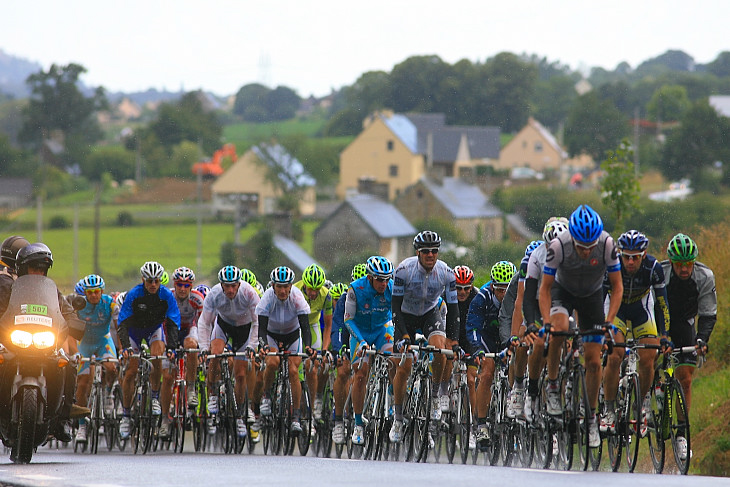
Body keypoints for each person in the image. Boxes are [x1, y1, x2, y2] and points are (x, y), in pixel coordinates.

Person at [539, 205, 623, 448]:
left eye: (590, 247)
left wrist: (609, 321)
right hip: (562, 291)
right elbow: (544, 289)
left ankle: (591, 417)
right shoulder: (558, 246)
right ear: (572, 238)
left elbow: (617, 288)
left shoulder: (607, 245)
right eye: (581, 247)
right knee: (559, 328)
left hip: (591, 296)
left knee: (595, 361)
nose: (586, 252)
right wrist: (546, 321)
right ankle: (553, 384)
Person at [0, 242, 88, 443]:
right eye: (33, 268)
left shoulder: (51, 291)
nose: (38, 272)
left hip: (43, 345)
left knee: (68, 363)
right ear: (22, 268)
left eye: (42, 269)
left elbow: (65, 310)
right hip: (15, 343)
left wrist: (73, 321)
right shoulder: (9, 288)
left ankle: (62, 419)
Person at [390, 230, 459, 443]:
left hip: (430, 314)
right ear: (418, 253)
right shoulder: (403, 270)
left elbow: (454, 309)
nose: (431, 255)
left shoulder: (446, 273)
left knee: (440, 351)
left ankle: (436, 396)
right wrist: (402, 335)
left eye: (434, 251)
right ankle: (398, 419)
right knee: (404, 366)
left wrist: (454, 341)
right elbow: (395, 306)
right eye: (426, 251)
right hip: (405, 317)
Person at [600, 230, 670, 434]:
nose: (630, 262)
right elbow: (600, 297)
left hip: (641, 308)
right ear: (620, 254)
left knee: (650, 356)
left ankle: (640, 403)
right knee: (615, 355)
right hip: (616, 307)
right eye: (626, 257)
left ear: (644, 254)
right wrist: (602, 329)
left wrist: (664, 335)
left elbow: (661, 304)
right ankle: (610, 409)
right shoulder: (611, 265)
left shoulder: (653, 268)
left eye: (635, 257)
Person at [662, 233, 716, 461]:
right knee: (648, 360)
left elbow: (707, 313)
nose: (684, 269)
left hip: (684, 324)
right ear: (671, 262)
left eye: (688, 264)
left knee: (685, 377)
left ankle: (681, 434)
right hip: (660, 322)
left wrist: (702, 340)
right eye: (679, 264)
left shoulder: (704, 276)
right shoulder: (661, 273)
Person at [117, 261, 180, 440]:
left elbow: (174, 321)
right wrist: (126, 348)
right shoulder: (134, 294)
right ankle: (126, 415)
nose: (153, 284)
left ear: (160, 281)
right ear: (143, 280)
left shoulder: (166, 295)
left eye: (156, 281)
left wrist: (173, 348)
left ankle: (154, 397)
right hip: (134, 332)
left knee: (157, 356)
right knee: (130, 372)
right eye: (150, 281)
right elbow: (122, 322)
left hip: (154, 330)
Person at [197, 265, 260, 438]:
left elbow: (258, 322)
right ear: (221, 285)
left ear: (239, 284)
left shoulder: (249, 293)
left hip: (244, 331)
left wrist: (252, 346)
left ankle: (239, 415)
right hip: (223, 327)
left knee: (240, 375)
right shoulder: (214, 294)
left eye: (233, 285)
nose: (230, 289)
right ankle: (213, 396)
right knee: (215, 354)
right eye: (227, 285)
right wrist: (203, 347)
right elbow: (204, 323)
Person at [521, 218, 568, 422]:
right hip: (541, 305)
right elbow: (528, 297)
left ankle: (567, 388)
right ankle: (531, 392)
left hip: (563, 303)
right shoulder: (536, 256)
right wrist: (531, 324)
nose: (554, 251)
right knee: (539, 343)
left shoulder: (573, 255)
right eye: (550, 246)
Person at [344, 256, 395, 445]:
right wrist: (362, 341)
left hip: (383, 328)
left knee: (395, 359)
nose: (384, 283)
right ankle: (358, 424)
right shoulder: (355, 289)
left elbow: (400, 312)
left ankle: (390, 392)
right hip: (360, 332)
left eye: (387, 279)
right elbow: (348, 320)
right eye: (380, 279)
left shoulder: (392, 287)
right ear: (370, 277)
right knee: (360, 374)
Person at [256, 266, 311, 434]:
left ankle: (295, 416)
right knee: (272, 362)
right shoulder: (267, 298)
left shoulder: (297, 297)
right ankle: (266, 395)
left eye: (286, 286)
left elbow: (306, 329)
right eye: (279, 286)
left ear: (291, 286)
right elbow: (262, 330)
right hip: (272, 335)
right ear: (273, 286)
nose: (282, 290)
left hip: (293, 335)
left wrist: (308, 346)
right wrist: (264, 345)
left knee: (294, 371)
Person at [466, 260, 515, 448]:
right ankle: (482, 424)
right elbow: (473, 327)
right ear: (493, 286)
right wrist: (477, 348)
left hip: (507, 336)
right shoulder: (482, 297)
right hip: (486, 338)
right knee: (487, 372)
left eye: (507, 289)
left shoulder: (518, 294)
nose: (503, 294)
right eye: (500, 290)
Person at [73, 274, 118, 444]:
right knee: (83, 382)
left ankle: (108, 395)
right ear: (85, 293)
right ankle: (82, 425)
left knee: (112, 367)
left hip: (103, 342)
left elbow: (119, 324)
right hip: (84, 344)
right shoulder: (79, 304)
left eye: (96, 292)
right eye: (90, 292)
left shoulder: (109, 303)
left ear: (102, 291)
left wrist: (123, 347)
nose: (93, 295)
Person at [502, 240, 543, 419]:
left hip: (547, 308)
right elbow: (518, 305)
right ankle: (517, 388)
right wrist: (512, 337)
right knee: (522, 339)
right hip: (530, 310)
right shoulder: (521, 274)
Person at [331, 265, 366, 445]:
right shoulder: (346, 298)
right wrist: (339, 349)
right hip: (347, 336)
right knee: (344, 371)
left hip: (366, 338)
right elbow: (337, 326)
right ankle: (338, 419)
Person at [293, 264, 333, 420]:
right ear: (304, 284)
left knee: (313, 365)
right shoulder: (295, 291)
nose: (313, 293)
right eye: (310, 289)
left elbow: (328, 326)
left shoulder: (326, 295)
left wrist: (324, 349)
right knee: (294, 364)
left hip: (313, 325)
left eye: (317, 289)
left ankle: (313, 399)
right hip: (295, 326)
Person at [170, 266, 205, 411]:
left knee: (191, 346)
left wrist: (202, 349)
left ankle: (191, 388)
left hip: (190, 328)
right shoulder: (169, 297)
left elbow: (202, 325)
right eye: (179, 284)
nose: (183, 289)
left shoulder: (197, 299)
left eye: (186, 285)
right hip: (171, 329)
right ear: (174, 285)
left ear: (191, 286)